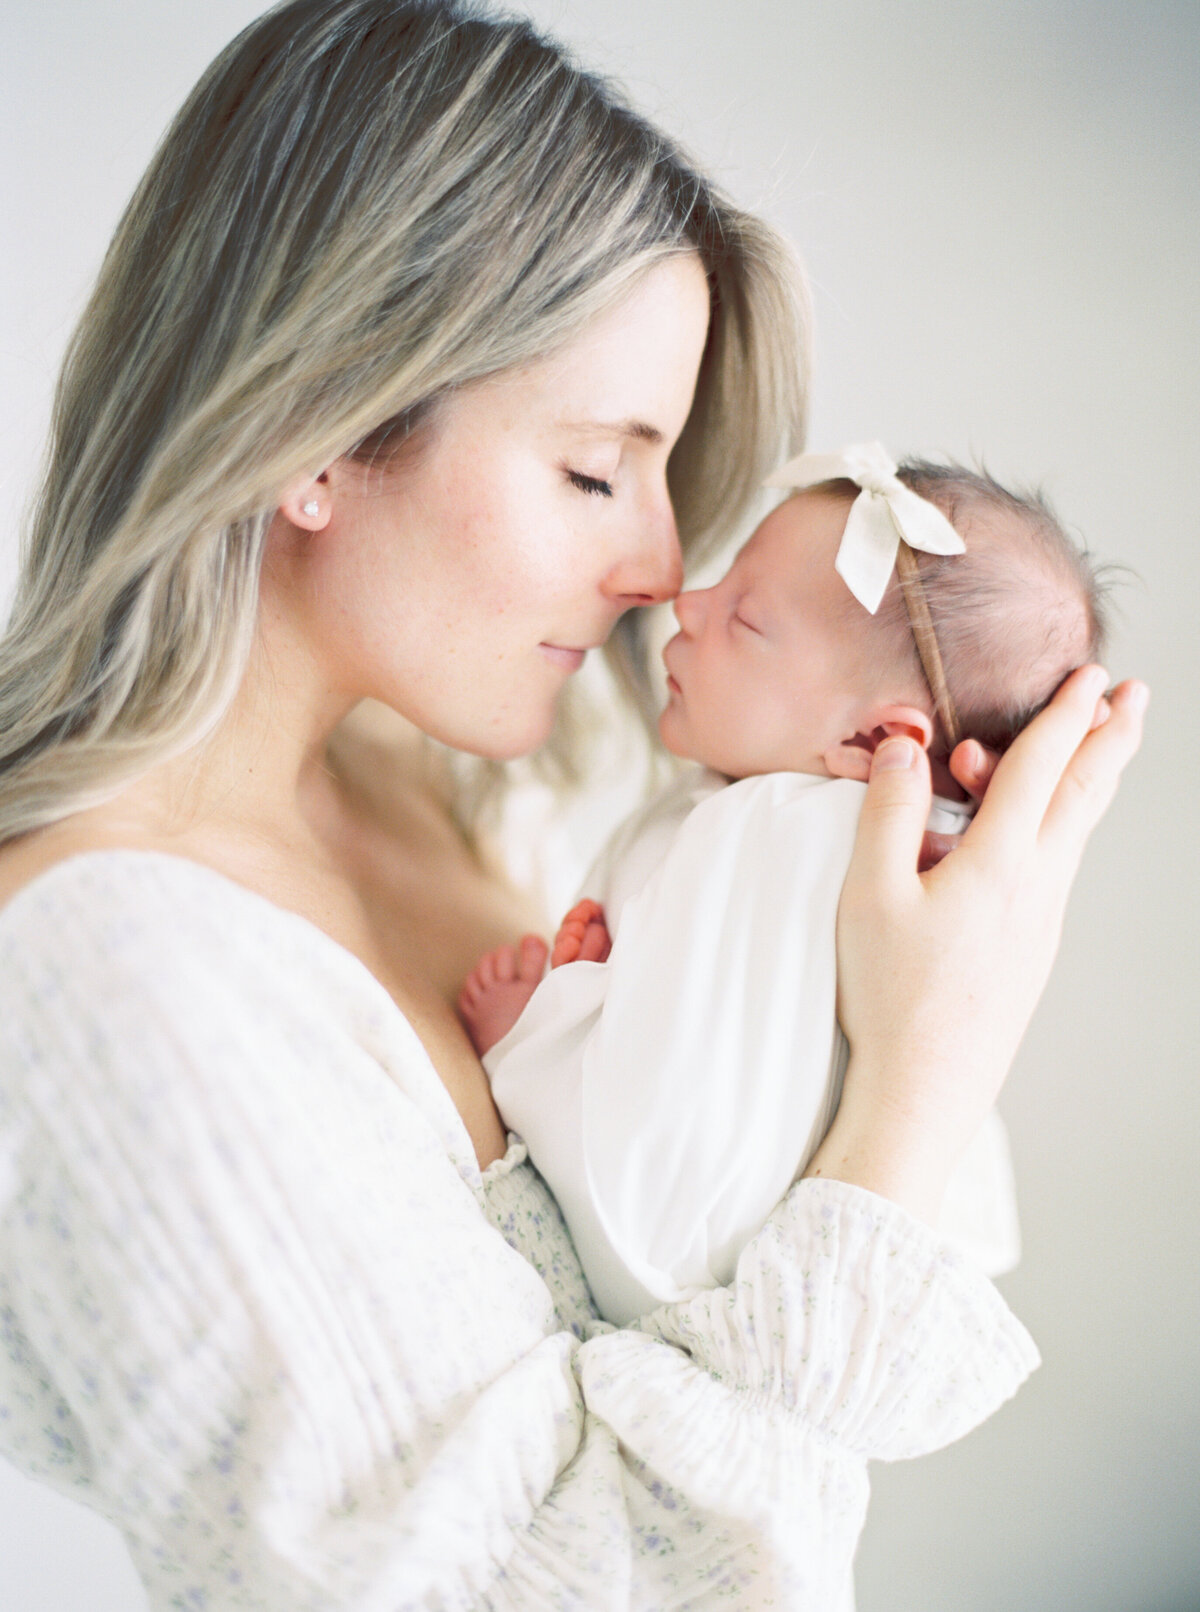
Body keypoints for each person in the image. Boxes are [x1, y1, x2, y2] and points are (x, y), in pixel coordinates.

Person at [0, 2, 1145, 1608]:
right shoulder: (114, 976)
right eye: (598, 470)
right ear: (316, 434)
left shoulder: (456, 811)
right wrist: (918, 1083)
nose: (666, 567)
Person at [459, 445, 1108, 1324]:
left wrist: (548, 1032)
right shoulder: (846, 835)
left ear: (874, 741)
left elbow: (681, 1109)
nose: (686, 604)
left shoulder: (777, 833)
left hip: (663, 1245)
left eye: (745, 619)